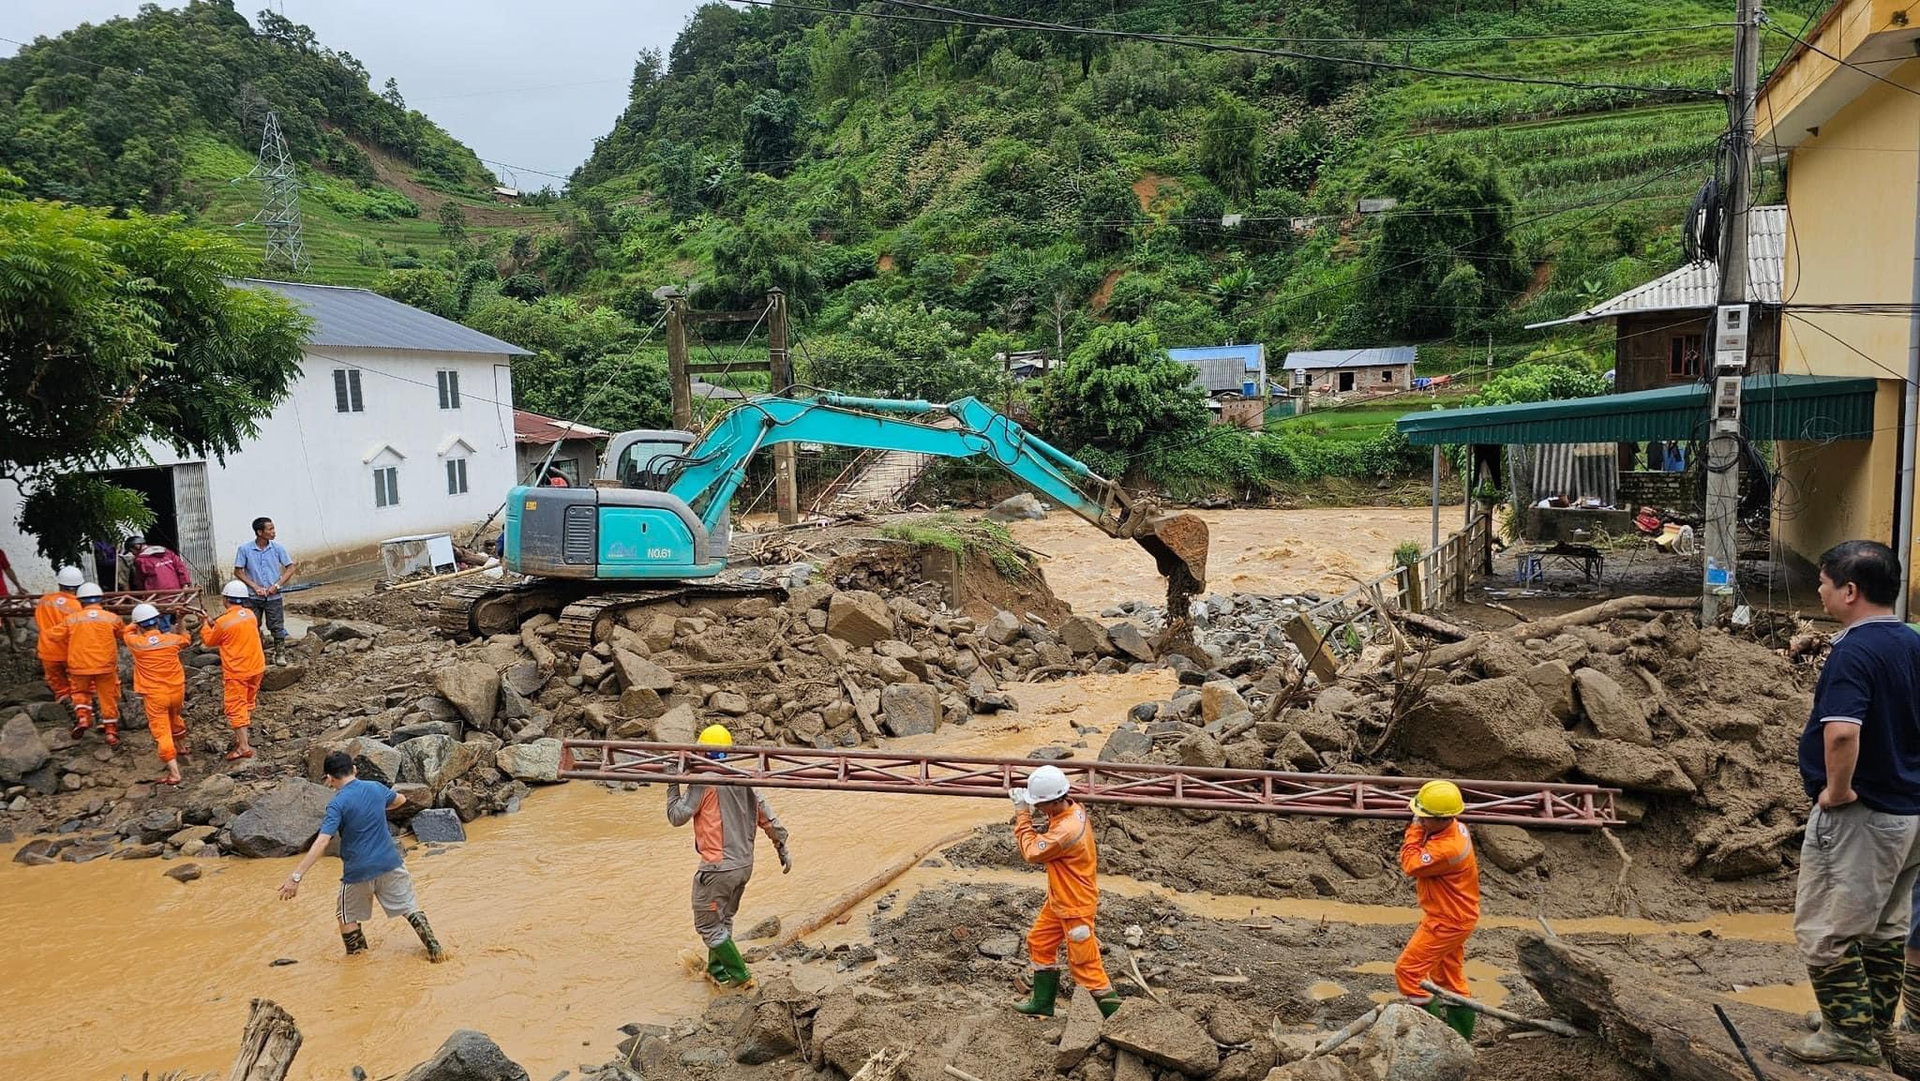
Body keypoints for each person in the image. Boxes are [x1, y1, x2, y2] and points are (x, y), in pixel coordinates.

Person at [1786, 541, 1920, 1066]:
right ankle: (1872, 1022)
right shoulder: (1912, 643)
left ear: (1849, 590)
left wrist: (1836, 791)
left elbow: (1841, 734)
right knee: (1885, 926)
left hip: (1864, 815)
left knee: (1826, 928)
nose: (1818, 591)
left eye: (1823, 582)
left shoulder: (1854, 652)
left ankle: (1848, 1034)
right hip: (1909, 811)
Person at [277, 751, 446, 962]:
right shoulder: (375, 788)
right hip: (391, 863)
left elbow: (322, 841)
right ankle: (435, 948)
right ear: (354, 770)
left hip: (358, 871)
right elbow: (401, 799)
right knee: (409, 907)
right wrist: (378, 806)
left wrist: (296, 877)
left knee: (346, 916)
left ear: (329, 778)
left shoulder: (337, 804)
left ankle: (358, 961)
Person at [665, 724, 791, 988]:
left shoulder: (704, 781)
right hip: (744, 866)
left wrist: (672, 782)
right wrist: (782, 849)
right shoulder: (745, 779)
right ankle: (717, 970)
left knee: (708, 926)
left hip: (717, 869)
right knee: (724, 919)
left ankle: (741, 978)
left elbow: (677, 816)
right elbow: (769, 819)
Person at [1009, 764, 1122, 1019]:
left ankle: (1119, 1021)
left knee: (1086, 966)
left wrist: (1022, 814)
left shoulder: (1064, 832)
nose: (1038, 809)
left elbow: (1031, 851)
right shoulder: (1072, 809)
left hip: (1074, 906)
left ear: (1051, 802)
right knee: (1039, 941)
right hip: (1060, 900)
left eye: (1039, 805)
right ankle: (1042, 1003)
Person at [1393, 779, 1480, 1041]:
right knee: (1449, 979)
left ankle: (1432, 1038)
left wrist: (1414, 830)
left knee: (1408, 972)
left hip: (1447, 920)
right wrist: (1423, 824)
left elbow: (1411, 864)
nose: (1419, 818)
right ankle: (1460, 1039)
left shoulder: (1446, 849)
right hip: (1458, 915)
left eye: (1424, 815)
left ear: (1441, 819)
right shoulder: (1456, 828)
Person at [123, 603, 193, 786]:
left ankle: (175, 773)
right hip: (177, 690)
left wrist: (135, 622)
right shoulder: (171, 639)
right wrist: (179, 618)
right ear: (157, 622)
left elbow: (127, 631)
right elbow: (186, 637)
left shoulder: (136, 644)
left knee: (162, 731)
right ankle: (182, 747)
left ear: (139, 626)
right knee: (175, 717)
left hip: (155, 695)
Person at [51, 583, 125, 746]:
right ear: (100, 599)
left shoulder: (71, 619)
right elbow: (123, 635)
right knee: (108, 697)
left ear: (80, 601)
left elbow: (54, 636)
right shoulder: (112, 618)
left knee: (81, 692)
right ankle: (111, 731)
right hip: (105, 665)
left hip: (79, 666)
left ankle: (83, 718)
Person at [201, 580, 266, 761]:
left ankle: (243, 746)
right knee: (247, 701)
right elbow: (234, 627)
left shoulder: (223, 622)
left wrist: (205, 624)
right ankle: (244, 733)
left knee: (235, 706)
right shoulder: (251, 615)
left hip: (238, 671)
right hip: (257, 666)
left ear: (226, 599)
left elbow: (209, 641)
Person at [234, 517, 294, 649]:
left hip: (274, 596)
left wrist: (276, 586)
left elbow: (290, 568)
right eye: (270, 529)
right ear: (260, 532)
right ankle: (256, 652)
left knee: (277, 626)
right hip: (252, 597)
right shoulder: (244, 549)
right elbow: (238, 571)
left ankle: (280, 653)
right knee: (251, 625)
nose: (274, 532)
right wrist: (255, 587)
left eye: (273, 528)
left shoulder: (278, 548)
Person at [33, 566, 86, 699]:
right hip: (69, 652)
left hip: (47, 651)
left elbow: (39, 621)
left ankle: (64, 704)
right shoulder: (78, 606)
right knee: (82, 685)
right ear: (79, 585)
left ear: (59, 583)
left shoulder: (44, 601)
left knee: (60, 687)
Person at [0, 547, 25, 646]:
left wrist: (19, 586)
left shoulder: (0, 553)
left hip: (2, 593)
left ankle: (13, 645)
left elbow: (8, 569)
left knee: (9, 620)